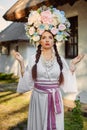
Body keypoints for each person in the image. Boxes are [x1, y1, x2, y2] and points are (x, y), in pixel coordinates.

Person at [13, 6, 84, 130]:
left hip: (55, 98)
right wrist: (21, 63)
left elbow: (65, 80)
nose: (47, 40)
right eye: (44, 37)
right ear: (39, 41)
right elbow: (27, 81)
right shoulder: (33, 58)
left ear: (54, 41)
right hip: (38, 99)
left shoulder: (60, 59)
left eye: (50, 37)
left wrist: (72, 65)